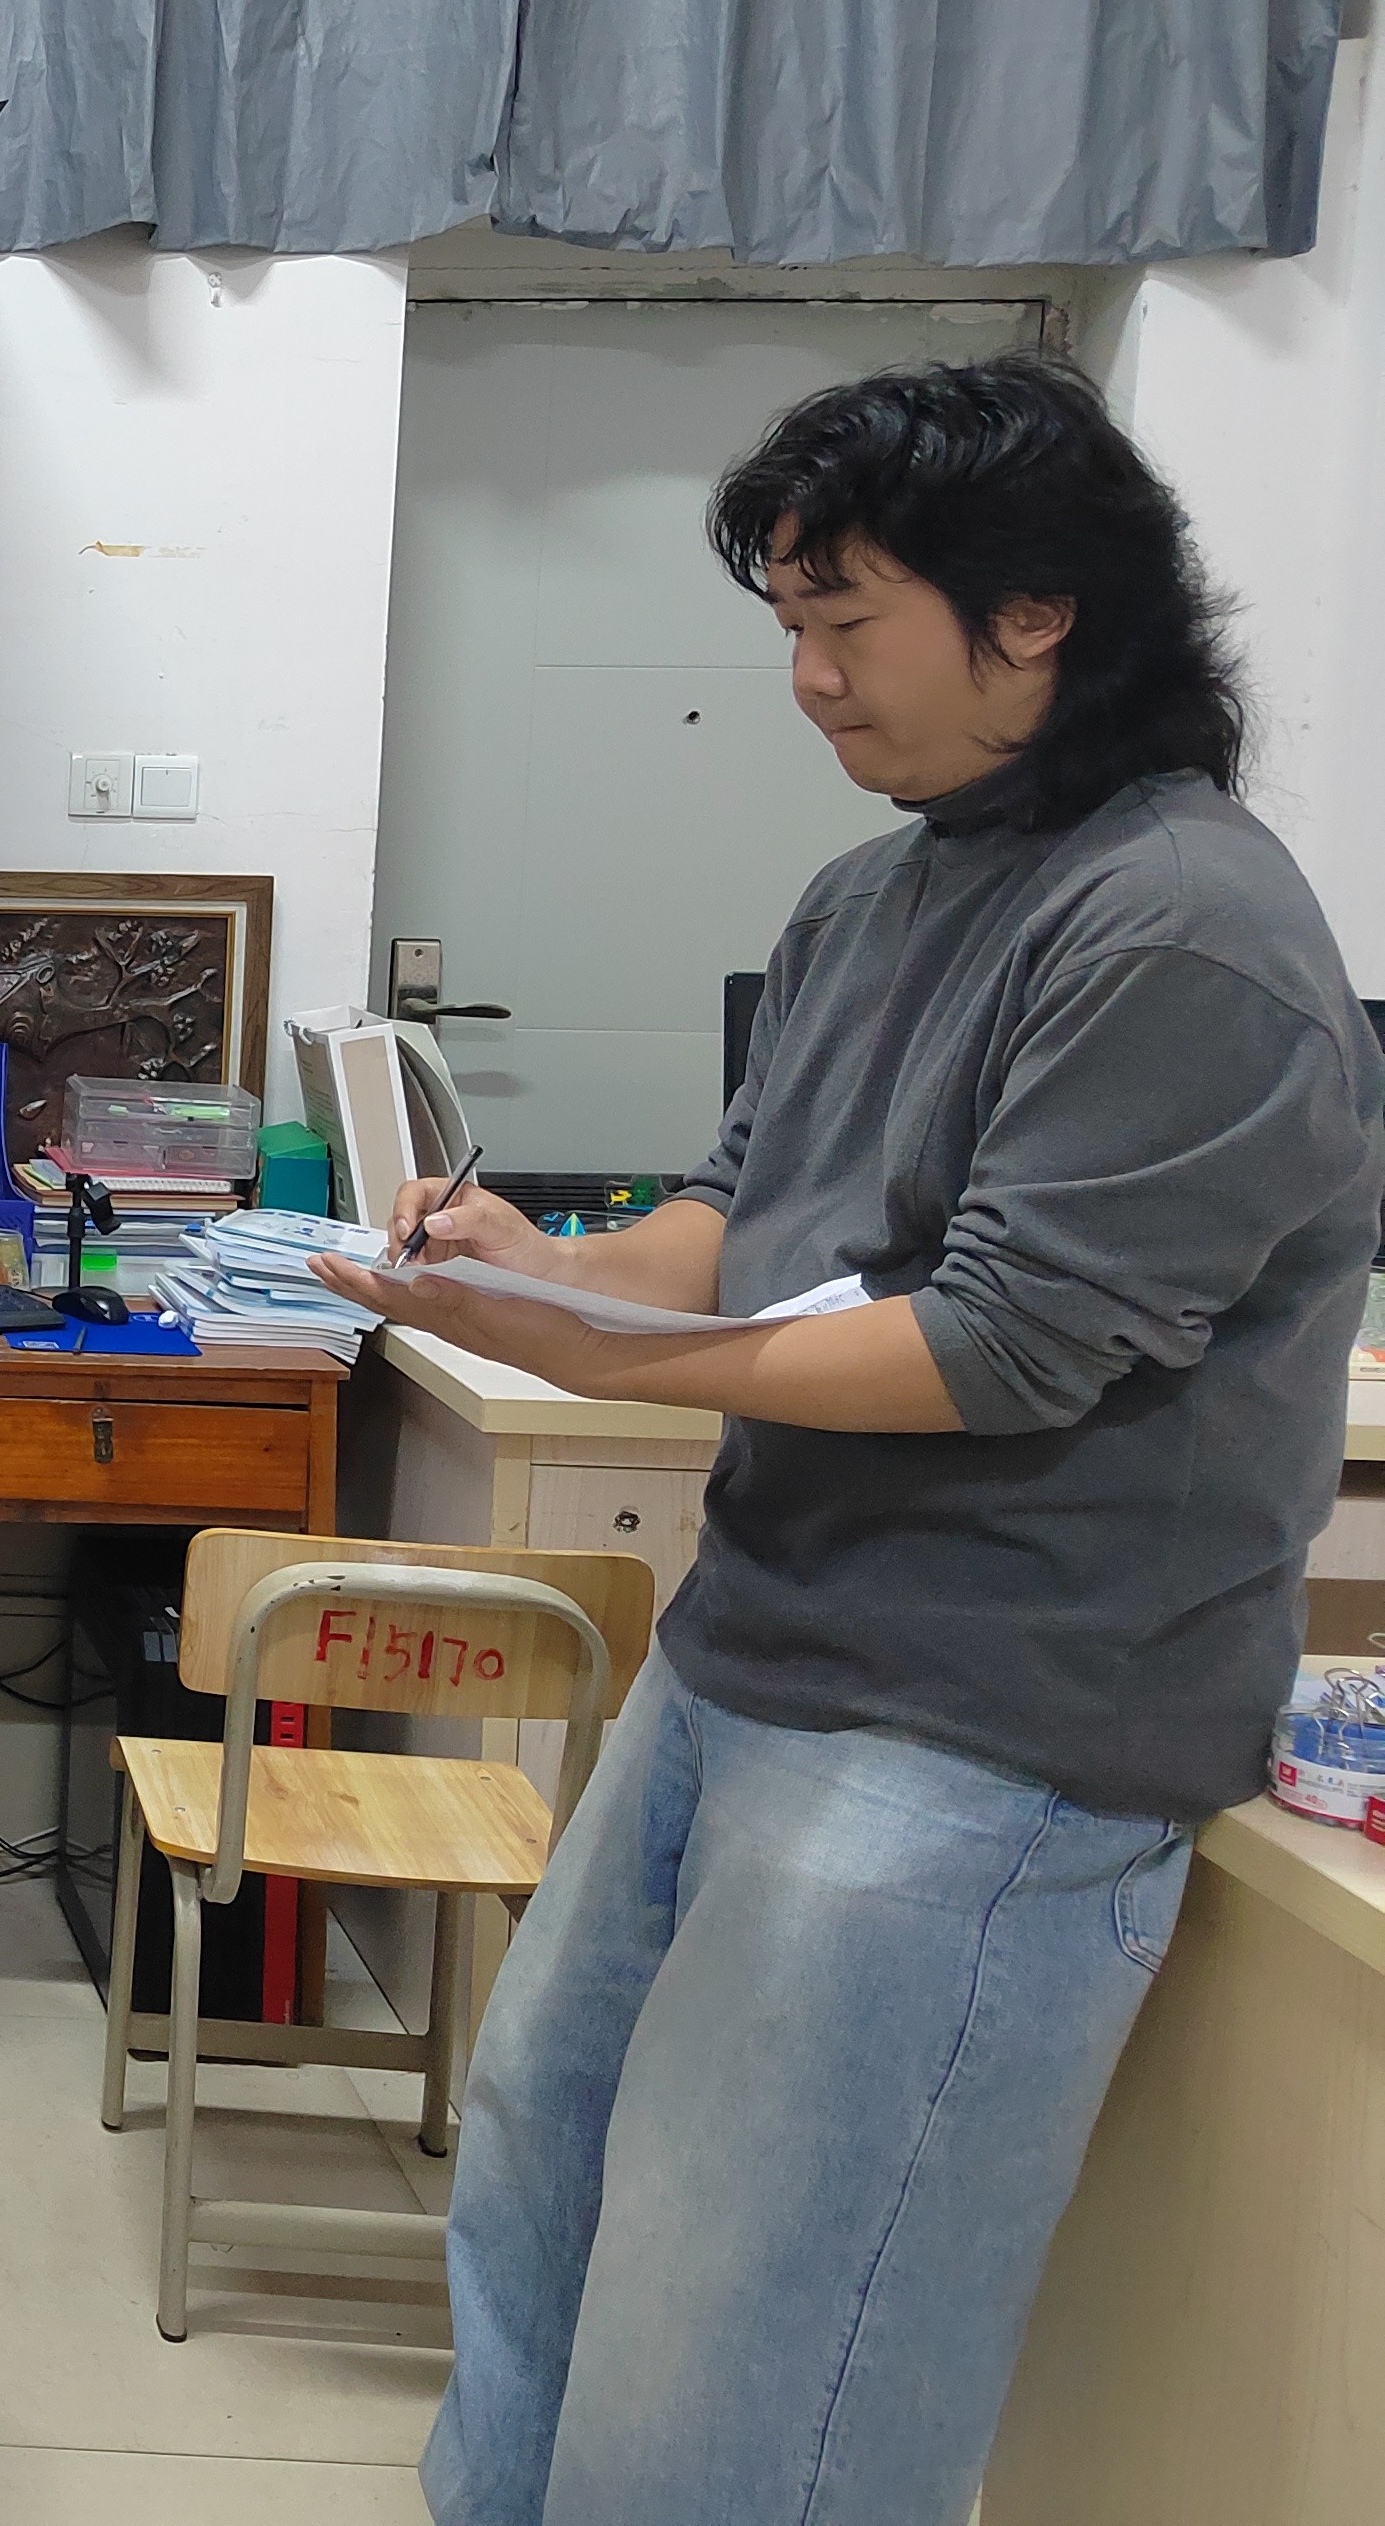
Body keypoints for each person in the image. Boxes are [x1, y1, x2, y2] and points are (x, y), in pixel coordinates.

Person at [312, 356, 1385, 2526]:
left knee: (751, 2345)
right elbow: (738, 1228)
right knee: (545, 2183)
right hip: (752, 1654)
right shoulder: (868, 900)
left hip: (986, 1728)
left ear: (1036, 614)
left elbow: (1001, 1344)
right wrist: (550, 1271)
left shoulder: (1182, 922)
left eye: (844, 621)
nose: (804, 679)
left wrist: (608, 1367)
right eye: (787, 624)